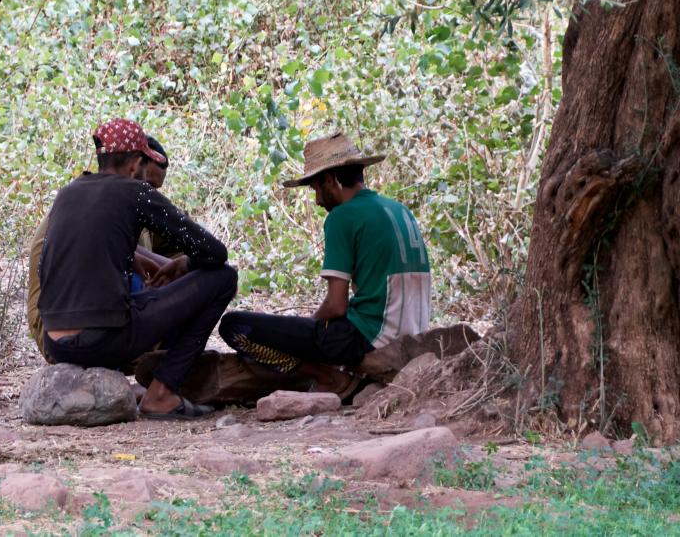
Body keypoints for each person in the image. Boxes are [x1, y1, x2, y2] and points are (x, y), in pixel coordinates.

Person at [38, 118, 237, 418]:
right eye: (146, 172)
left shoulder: (68, 193)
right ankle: (163, 392)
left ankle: (144, 384)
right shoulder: (134, 192)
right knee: (224, 278)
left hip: (55, 342)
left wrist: (132, 257)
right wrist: (184, 262)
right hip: (100, 340)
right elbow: (215, 252)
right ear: (135, 164)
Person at [218, 132, 431, 398]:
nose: (318, 200)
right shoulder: (400, 209)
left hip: (371, 336)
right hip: (415, 329)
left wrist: (308, 331)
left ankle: (331, 379)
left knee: (235, 327)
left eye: (317, 189)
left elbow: (336, 305)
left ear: (330, 180)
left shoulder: (342, 216)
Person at [25, 135, 170, 363]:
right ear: (132, 169)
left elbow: (184, 243)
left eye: (155, 189)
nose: (150, 193)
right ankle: (159, 384)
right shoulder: (88, 208)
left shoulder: (130, 206)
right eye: (146, 184)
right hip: (63, 332)